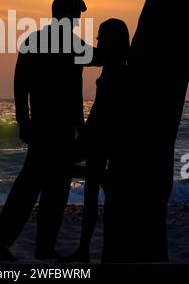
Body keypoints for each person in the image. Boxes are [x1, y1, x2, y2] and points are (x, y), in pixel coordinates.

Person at [0, 0, 97, 261]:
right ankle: (14, 241)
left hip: (53, 127)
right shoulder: (60, 42)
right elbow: (21, 85)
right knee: (41, 187)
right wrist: (24, 120)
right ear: (66, 14)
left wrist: (24, 121)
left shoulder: (37, 41)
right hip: (51, 127)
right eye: (76, 15)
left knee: (47, 187)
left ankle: (32, 245)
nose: (77, 20)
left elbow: (19, 86)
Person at [67, 18, 130, 263]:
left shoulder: (120, 68)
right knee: (90, 192)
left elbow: (112, 110)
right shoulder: (111, 62)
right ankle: (83, 249)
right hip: (96, 132)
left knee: (89, 186)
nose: (98, 39)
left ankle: (87, 249)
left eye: (102, 35)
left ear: (114, 38)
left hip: (105, 136)